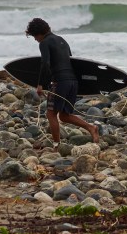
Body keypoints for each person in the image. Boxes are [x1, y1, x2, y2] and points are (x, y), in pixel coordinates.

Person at [25, 17, 99, 146]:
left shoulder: (45, 43)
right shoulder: (62, 40)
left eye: (34, 36)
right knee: (64, 116)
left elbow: (45, 64)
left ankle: (56, 145)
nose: (35, 39)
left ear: (38, 33)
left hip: (60, 82)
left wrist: (41, 84)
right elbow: (72, 61)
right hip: (72, 81)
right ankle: (91, 128)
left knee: (50, 114)